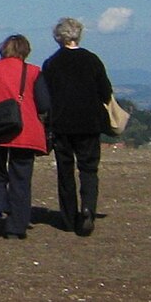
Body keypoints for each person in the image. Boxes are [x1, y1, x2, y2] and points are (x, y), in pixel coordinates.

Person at [0, 34, 50, 239]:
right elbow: (44, 104)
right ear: (25, 51)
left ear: (3, 50)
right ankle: (16, 226)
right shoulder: (33, 72)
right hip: (25, 130)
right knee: (21, 179)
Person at [42, 16, 114, 237]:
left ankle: (68, 217)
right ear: (78, 34)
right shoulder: (92, 60)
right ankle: (87, 209)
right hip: (89, 122)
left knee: (65, 171)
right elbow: (105, 91)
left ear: (58, 37)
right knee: (89, 169)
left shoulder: (51, 63)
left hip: (62, 123)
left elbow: (45, 98)